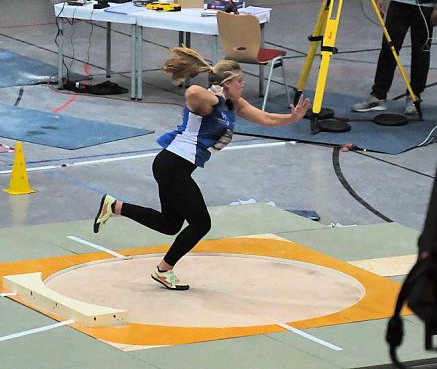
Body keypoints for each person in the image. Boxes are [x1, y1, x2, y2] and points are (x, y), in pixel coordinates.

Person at [92, 46, 311, 290]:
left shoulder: (234, 104)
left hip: (174, 167)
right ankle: (164, 270)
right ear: (226, 83)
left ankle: (115, 206)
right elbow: (192, 92)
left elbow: (266, 119)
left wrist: (292, 118)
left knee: (170, 225)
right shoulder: (209, 103)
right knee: (201, 223)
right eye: (240, 81)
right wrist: (215, 96)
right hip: (172, 165)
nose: (243, 85)